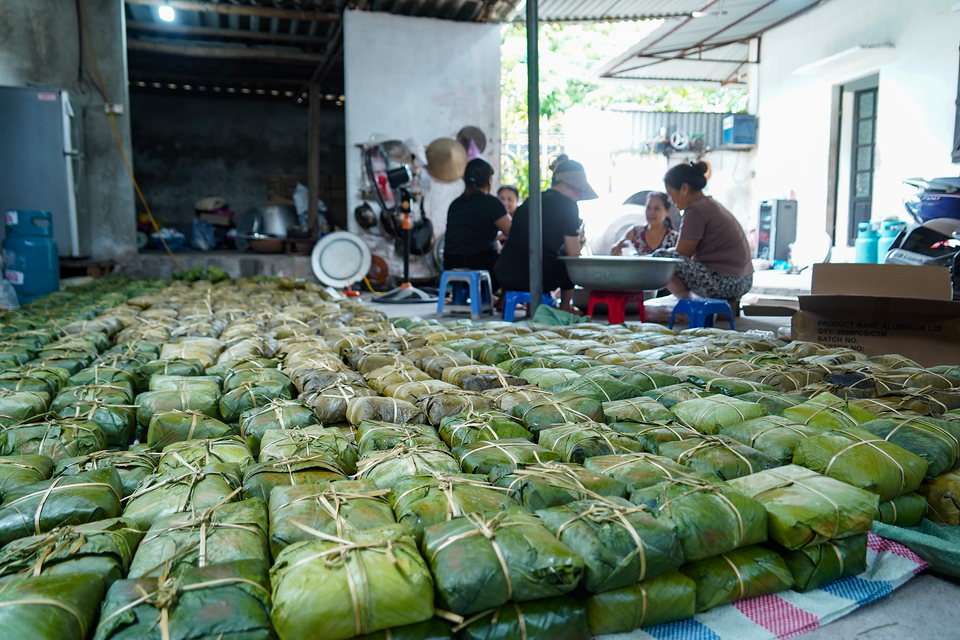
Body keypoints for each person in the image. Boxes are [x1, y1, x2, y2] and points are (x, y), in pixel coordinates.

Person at [495, 155, 598, 313]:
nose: (579, 196)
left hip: (505, 274)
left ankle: (530, 306)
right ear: (569, 185)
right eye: (579, 190)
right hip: (535, 278)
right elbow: (573, 253)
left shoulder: (532, 201)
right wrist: (579, 239)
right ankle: (565, 306)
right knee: (568, 262)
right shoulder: (568, 206)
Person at [654, 161, 753, 301]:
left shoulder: (696, 210)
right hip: (744, 279)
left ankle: (687, 306)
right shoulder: (709, 204)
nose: (671, 200)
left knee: (660, 258)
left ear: (684, 188)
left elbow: (682, 254)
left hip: (728, 282)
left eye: (671, 194)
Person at [443, 158, 512, 291]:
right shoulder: (492, 203)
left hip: (450, 264)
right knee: (513, 261)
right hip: (481, 265)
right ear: (489, 180)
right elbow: (514, 233)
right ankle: (502, 302)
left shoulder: (455, 204)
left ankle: (489, 299)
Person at [610, 191, 679, 255]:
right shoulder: (635, 232)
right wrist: (619, 246)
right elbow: (612, 253)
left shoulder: (674, 238)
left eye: (656, 208)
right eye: (648, 208)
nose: (651, 212)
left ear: (667, 211)